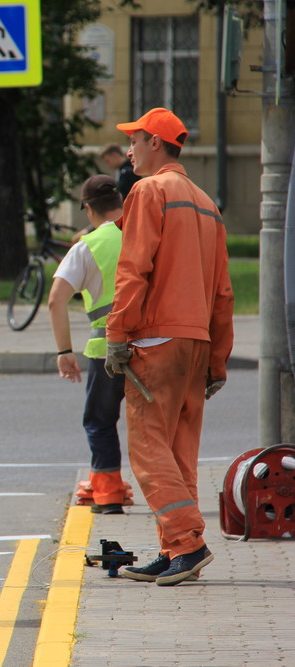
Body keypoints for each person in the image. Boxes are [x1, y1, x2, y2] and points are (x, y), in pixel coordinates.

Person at [105, 108, 233, 586]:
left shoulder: (149, 191)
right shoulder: (206, 203)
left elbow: (133, 268)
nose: (130, 150)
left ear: (155, 143)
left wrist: (117, 334)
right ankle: (176, 549)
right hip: (195, 340)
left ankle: (187, 542)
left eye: (135, 141)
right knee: (179, 451)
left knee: (147, 447)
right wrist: (218, 358)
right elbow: (223, 291)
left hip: (156, 337)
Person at [47, 175, 130, 515]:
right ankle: (171, 497)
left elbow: (56, 301)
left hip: (106, 350)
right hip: (157, 343)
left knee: (100, 421)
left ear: (88, 209)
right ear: (121, 202)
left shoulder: (88, 246)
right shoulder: (148, 232)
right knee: (156, 425)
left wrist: (64, 351)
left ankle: (109, 494)